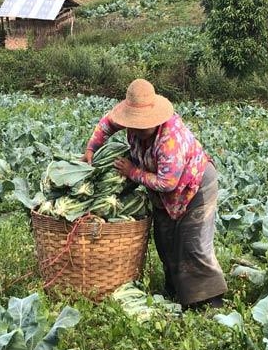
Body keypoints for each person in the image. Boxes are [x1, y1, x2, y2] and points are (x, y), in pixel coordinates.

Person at [81, 79, 227, 310]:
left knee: (193, 243)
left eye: (143, 126)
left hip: (196, 186)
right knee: (165, 239)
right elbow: (108, 124)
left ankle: (211, 300)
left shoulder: (170, 139)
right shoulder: (129, 119)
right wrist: (92, 148)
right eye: (134, 125)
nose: (138, 130)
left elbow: (167, 182)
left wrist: (132, 172)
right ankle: (176, 291)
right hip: (163, 194)